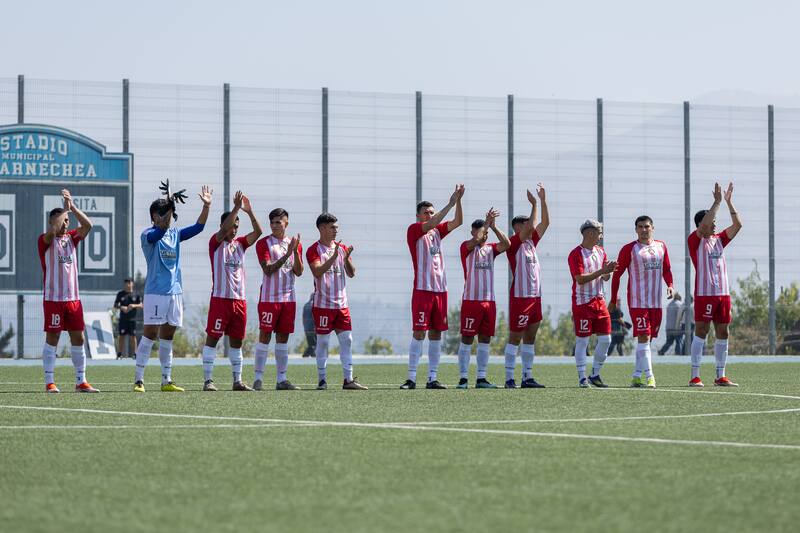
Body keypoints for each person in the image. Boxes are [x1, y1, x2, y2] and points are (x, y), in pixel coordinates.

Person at [133, 180, 212, 392]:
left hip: (175, 293)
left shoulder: (175, 234)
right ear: (153, 216)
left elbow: (199, 227)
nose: (165, 217)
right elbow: (159, 232)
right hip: (156, 293)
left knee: (167, 337)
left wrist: (206, 206)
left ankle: (166, 380)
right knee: (149, 334)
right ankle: (139, 380)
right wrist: (169, 206)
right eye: (161, 213)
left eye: (166, 213)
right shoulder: (148, 235)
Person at [401, 184, 464, 390]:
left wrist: (459, 202)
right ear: (418, 215)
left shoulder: (437, 232)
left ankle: (432, 378)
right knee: (419, 333)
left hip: (440, 290)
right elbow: (435, 222)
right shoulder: (414, 230)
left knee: (437, 333)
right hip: (423, 290)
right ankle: (411, 378)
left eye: (431, 212)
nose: (430, 215)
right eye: (426, 212)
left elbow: (458, 222)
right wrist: (450, 203)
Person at [37, 189, 99, 393]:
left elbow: (88, 225)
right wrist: (64, 209)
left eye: (67, 220)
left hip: (73, 299)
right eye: (62, 219)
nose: (66, 222)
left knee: (78, 338)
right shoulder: (45, 240)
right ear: (52, 221)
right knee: (53, 338)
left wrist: (72, 207)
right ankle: (49, 382)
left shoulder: (72, 238)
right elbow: (53, 231)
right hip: (54, 298)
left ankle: (81, 381)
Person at [201, 191, 263, 392]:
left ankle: (237, 381)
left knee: (237, 343)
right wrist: (235, 208)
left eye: (237, 226)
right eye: (231, 225)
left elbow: (259, 232)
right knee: (213, 340)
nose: (234, 229)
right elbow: (225, 228)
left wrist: (249, 211)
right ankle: (208, 380)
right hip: (220, 300)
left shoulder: (241, 244)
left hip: (239, 301)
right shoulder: (216, 243)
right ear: (223, 226)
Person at [610, 215, 674, 388]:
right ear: (636, 229)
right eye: (640, 227)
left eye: (647, 226)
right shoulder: (629, 249)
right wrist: (613, 298)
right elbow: (617, 275)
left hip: (656, 302)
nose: (644, 230)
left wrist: (670, 285)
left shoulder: (661, 246)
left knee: (647, 340)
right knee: (644, 337)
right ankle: (650, 377)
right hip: (638, 302)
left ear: (652, 227)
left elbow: (666, 269)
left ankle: (637, 376)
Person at [688, 182, 742, 387]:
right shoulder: (695, 240)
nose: (714, 224)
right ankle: (695, 375)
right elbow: (704, 226)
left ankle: (720, 375)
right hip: (704, 293)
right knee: (701, 331)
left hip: (723, 294)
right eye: (711, 221)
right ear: (701, 224)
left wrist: (728, 202)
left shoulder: (719, 239)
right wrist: (716, 202)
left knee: (723, 332)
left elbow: (737, 225)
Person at [306, 213, 367, 390]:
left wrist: (346, 259)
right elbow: (317, 272)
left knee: (347, 340)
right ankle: (322, 380)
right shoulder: (313, 250)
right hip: (323, 305)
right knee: (323, 342)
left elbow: (352, 273)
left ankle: (348, 380)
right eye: (332, 227)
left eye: (336, 228)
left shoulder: (342, 248)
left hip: (342, 305)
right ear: (322, 228)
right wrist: (332, 258)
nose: (335, 231)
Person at [456, 208, 510, 389]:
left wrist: (493, 227)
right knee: (467, 339)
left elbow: (507, 244)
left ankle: (481, 378)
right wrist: (486, 224)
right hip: (471, 300)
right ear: (473, 232)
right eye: (481, 232)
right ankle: (463, 378)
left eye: (486, 233)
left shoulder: (491, 250)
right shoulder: (466, 247)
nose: (484, 235)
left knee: (485, 339)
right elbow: (477, 240)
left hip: (489, 301)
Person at [503, 183, 549, 389]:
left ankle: (527, 377)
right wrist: (533, 205)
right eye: (526, 224)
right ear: (518, 228)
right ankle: (509, 378)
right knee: (515, 337)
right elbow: (533, 225)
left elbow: (545, 223)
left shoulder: (531, 243)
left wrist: (543, 201)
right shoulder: (514, 243)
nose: (530, 227)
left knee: (530, 338)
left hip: (535, 297)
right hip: (521, 297)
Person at [253, 207, 303, 390]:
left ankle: (282, 380)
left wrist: (295, 252)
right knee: (264, 337)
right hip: (269, 299)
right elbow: (267, 269)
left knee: (283, 339)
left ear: (286, 223)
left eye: (278, 222)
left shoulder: (294, 243)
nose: (274, 226)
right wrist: (287, 254)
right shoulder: (264, 243)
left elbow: (299, 271)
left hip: (288, 299)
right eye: (272, 222)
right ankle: (257, 379)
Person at [568, 219, 617, 388]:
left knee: (606, 339)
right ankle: (582, 377)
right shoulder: (575, 254)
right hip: (583, 303)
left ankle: (595, 374)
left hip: (599, 301)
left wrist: (607, 271)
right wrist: (602, 271)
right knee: (583, 341)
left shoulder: (601, 251)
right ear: (590, 233)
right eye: (599, 232)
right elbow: (580, 279)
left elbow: (605, 277)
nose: (601, 236)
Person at [114, 278, 142, 359]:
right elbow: (115, 305)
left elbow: (141, 305)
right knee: (121, 336)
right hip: (123, 319)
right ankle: (119, 354)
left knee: (133, 336)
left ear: (132, 284)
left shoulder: (136, 294)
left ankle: (135, 354)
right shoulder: (120, 294)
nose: (128, 285)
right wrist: (122, 307)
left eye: (129, 283)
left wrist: (133, 305)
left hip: (132, 320)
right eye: (126, 283)